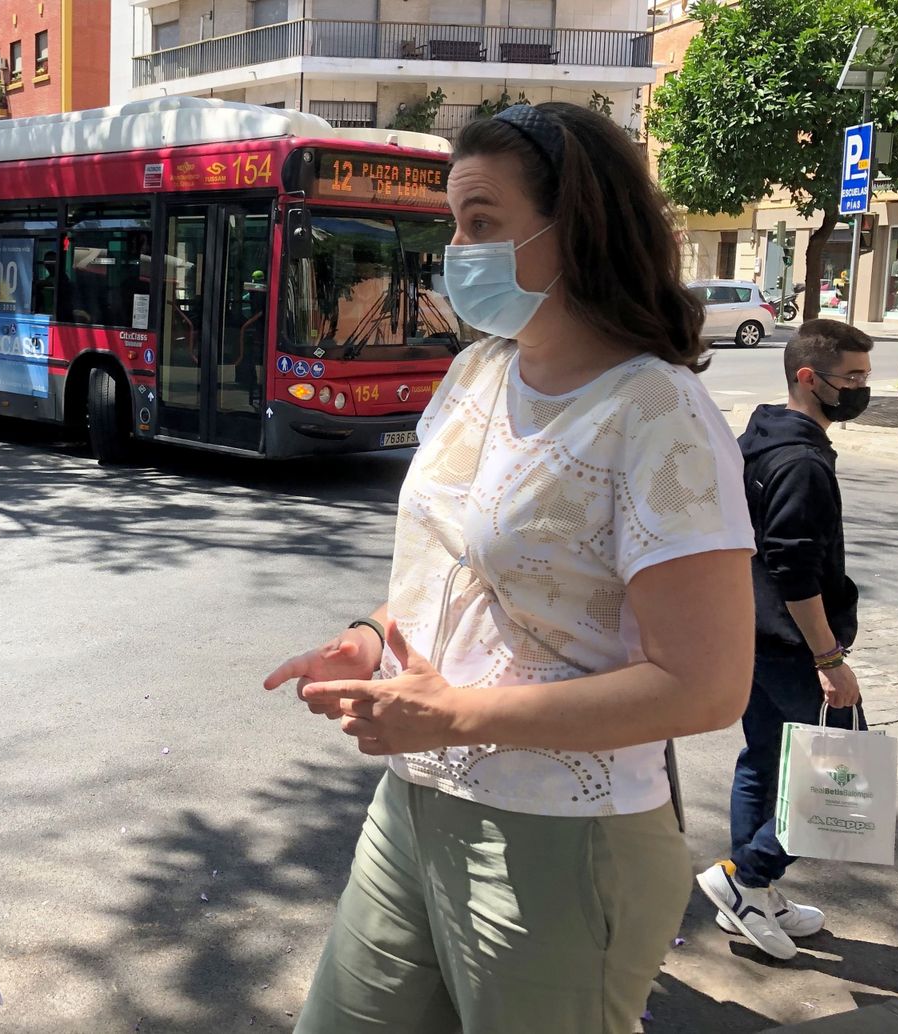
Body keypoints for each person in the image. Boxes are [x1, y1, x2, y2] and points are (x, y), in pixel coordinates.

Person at [263, 102, 756, 1034]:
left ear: (579, 226)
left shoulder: (658, 411)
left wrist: (456, 713)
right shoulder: (477, 373)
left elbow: (706, 686)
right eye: (455, 223)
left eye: (482, 221)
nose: (457, 248)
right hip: (416, 800)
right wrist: (370, 640)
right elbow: (453, 572)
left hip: (562, 842)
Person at [696, 319, 873, 961]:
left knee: (766, 762)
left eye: (864, 376)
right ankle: (748, 879)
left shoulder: (760, 438)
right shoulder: (799, 462)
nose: (861, 388)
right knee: (841, 774)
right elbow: (795, 570)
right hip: (793, 646)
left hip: (751, 634)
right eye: (851, 377)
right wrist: (829, 657)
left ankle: (751, 896)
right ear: (808, 377)